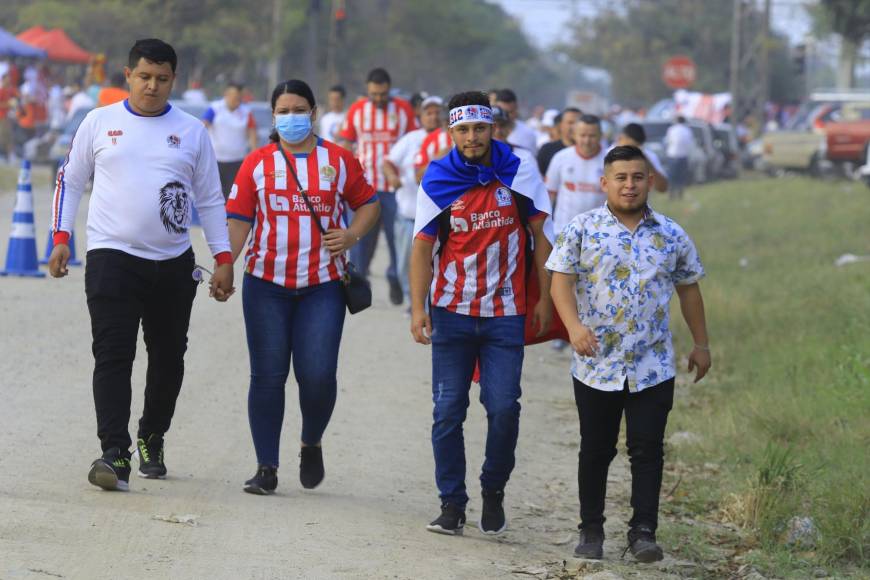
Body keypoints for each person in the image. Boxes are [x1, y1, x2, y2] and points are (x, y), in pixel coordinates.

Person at [47, 38, 234, 492]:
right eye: (144, 77)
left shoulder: (191, 131)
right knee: (113, 354)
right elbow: (69, 181)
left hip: (173, 263)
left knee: (168, 358)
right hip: (112, 257)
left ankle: (152, 434)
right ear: (127, 75)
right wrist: (60, 237)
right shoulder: (99, 122)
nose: (152, 87)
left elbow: (210, 198)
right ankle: (115, 452)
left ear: (175, 80)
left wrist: (224, 256)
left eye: (162, 79)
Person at [547, 145, 710, 563]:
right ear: (605, 183)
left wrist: (701, 344)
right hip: (596, 363)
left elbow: (689, 289)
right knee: (597, 448)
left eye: (637, 177)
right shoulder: (581, 229)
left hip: (652, 364)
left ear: (649, 181)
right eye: (620, 178)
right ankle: (591, 529)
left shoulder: (671, 234)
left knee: (648, 449)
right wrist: (574, 328)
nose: (630, 185)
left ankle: (643, 532)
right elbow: (560, 283)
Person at [410, 91, 554, 537]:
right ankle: (452, 503)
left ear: (493, 128)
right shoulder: (438, 177)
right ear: (451, 132)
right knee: (447, 410)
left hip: (506, 314)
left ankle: (494, 489)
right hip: (451, 311)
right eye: (463, 130)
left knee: (504, 406)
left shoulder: (519, 170)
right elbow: (421, 246)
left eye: (479, 128)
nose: (472, 137)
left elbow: (542, 237)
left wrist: (546, 299)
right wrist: (418, 308)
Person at [225, 79, 380, 495]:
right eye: (283, 111)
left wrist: (350, 236)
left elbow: (369, 203)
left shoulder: (339, 160)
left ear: (312, 112)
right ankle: (266, 467)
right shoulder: (257, 162)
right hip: (265, 285)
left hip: (322, 286)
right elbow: (239, 217)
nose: (291, 117)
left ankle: (311, 441)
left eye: (299, 110)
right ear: (272, 115)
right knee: (267, 376)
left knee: (317, 375)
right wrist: (225, 265)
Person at [338, 68, 417, 305]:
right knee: (359, 240)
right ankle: (359, 284)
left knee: (398, 241)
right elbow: (345, 143)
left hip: (394, 188)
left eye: (383, 94)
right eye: (374, 94)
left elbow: (414, 143)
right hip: (363, 187)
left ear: (389, 89)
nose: (379, 98)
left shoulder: (403, 110)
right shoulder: (357, 110)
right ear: (367, 89)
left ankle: (394, 276)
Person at [383, 95, 443, 305]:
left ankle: (424, 305)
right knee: (403, 265)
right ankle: (412, 301)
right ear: (421, 115)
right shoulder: (410, 139)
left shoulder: (451, 138)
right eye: (429, 113)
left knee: (433, 263)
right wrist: (391, 177)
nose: (433, 117)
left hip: (437, 217)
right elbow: (388, 162)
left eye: (437, 112)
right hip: (409, 214)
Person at [545, 114, 606, 235]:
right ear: (574, 135)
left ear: (600, 136)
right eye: (583, 135)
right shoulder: (560, 157)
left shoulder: (610, 160)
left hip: (599, 234)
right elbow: (548, 197)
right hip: (564, 232)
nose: (587, 141)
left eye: (592, 136)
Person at [202, 83, 258, 199]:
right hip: (216, 160)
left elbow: (252, 132)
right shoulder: (215, 108)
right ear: (226, 94)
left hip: (237, 161)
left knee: (233, 195)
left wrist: (254, 153)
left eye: (237, 96)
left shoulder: (246, 112)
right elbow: (203, 126)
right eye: (232, 95)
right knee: (214, 194)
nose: (234, 99)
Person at [614, 123, 668, 193]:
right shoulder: (605, 155)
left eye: (636, 148)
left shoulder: (648, 156)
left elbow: (662, 188)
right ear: (621, 138)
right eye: (629, 146)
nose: (631, 151)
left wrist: (647, 164)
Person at [537, 107, 581, 175]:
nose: (574, 126)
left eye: (577, 123)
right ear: (560, 125)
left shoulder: (591, 151)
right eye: (570, 122)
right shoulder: (546, 150)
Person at [494, 88, 538, 154]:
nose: (506, 116)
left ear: (516, 108)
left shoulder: (528, 133)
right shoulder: (485, 133)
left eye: (510, 112)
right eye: (503, 112)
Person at [664, 116, 693, 199]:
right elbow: (689, 144)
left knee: (672, 176)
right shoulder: (687, 130)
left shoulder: (671, 129)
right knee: (681, 176)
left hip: (672, 155)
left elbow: (667, 142)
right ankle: (680, 194)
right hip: (683, 156)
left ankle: (671, 194)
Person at [0, 73, 18, 163]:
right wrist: (9, 104)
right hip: (1, 117)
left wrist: (11, 105)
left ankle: (9, 156)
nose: (9, 80)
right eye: (7, 78)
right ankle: (4, 155)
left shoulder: (7, 90)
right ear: (3, 79)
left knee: (8, 136)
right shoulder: (1, 90)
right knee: (3, 136)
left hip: (6, 116)